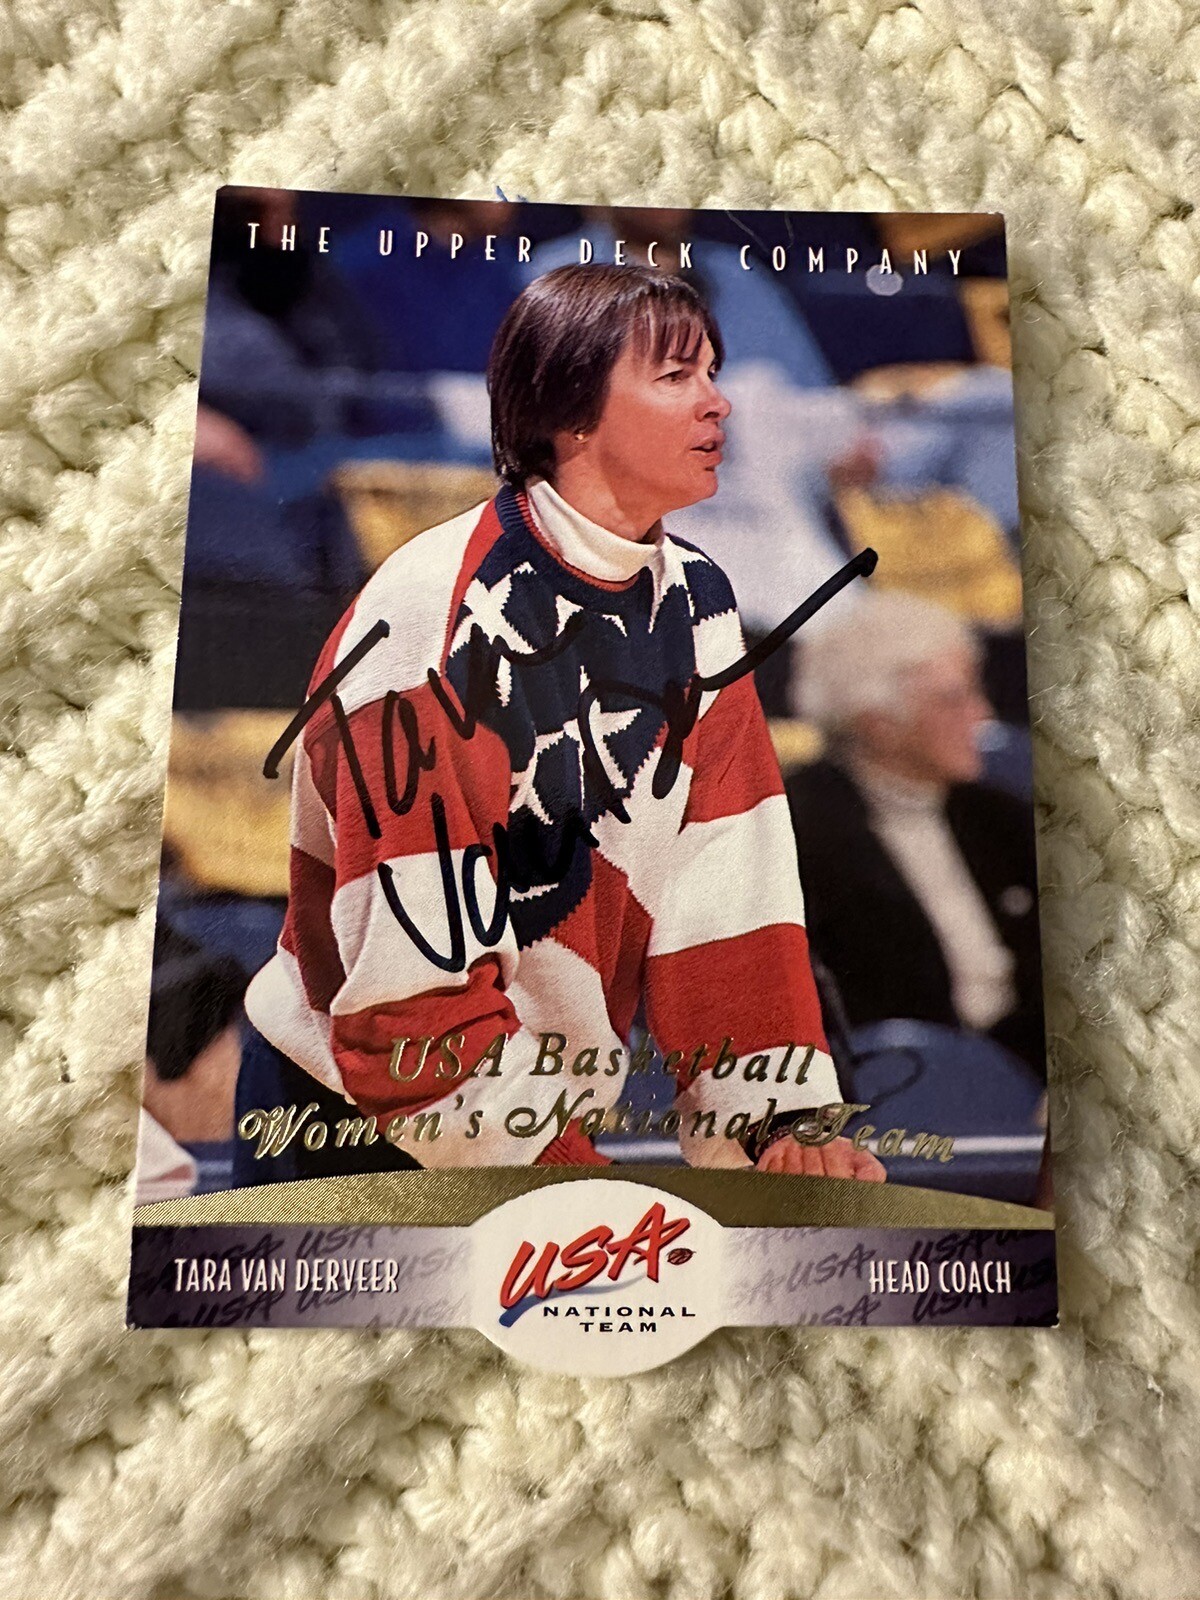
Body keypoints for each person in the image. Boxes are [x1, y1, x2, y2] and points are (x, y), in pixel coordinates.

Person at [239, 263, 886, 1181]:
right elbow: (407, 1006)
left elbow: (731, 898)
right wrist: (565, 1178)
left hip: (525, 1121)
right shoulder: (431, 619)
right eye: (676, 377)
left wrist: (777, 1128)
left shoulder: (698, 599)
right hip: (354, 1121)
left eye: (712, 371)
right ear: (569, 413)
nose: (719, 403)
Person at [785, 591, 1045, 1074]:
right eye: (953, 699)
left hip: (1028, 1073)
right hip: (896, 1085)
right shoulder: (800, 833)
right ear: (878, 724)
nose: (982, 716)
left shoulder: (998, 816)